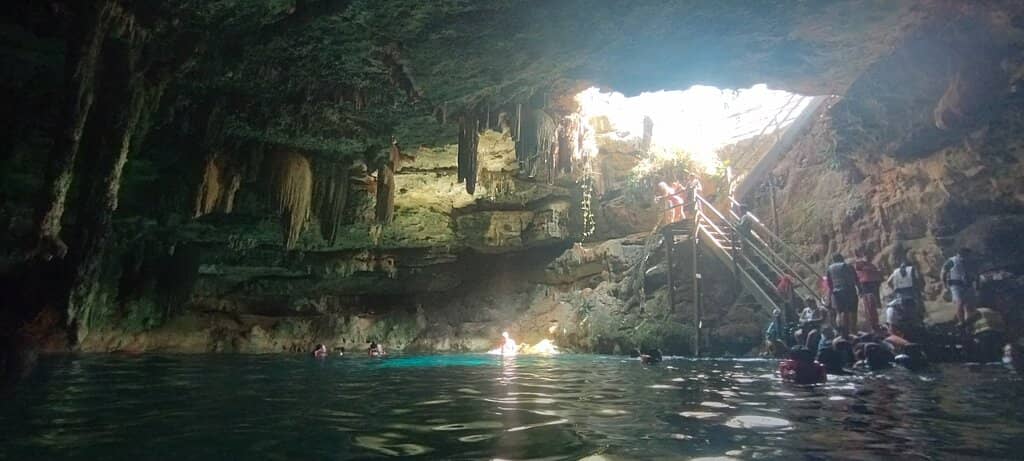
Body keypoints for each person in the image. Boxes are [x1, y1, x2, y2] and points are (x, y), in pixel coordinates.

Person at [942, 248, 978, 327]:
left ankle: (970, 320)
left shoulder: (970, 261)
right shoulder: (952, 261)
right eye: (968, 255)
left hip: (968, 284)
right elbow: (944, 272)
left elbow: (974, 272)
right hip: (956, 285)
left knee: (969, 304)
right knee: (960, 303)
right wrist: (945, 286)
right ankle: (961, 321)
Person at [827, 253, 859, 336]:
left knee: (839, 312)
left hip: (836, 292)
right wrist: (860, 289)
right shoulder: (846, 266)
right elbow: (855, 278)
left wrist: (829, 297)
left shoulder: (830, 268)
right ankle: (853, 331)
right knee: (852, 311)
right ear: (841, 258)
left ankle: (842, 332)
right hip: (848, 290)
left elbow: (829, 284)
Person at [853, 249, 883, 332]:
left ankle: (875, 322)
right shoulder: (861, 263)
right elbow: (857, 266)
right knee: (869, 303)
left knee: (874, 303)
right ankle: (872, 323)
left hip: (872, 283)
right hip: (866, 283)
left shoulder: (871, 265)